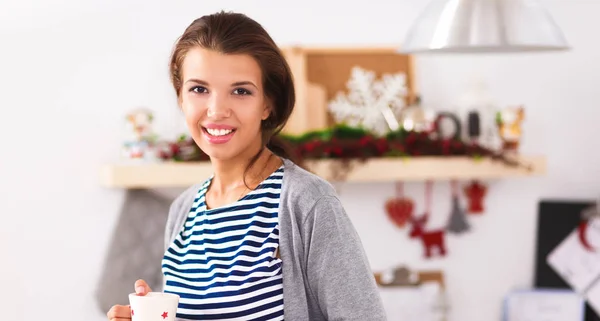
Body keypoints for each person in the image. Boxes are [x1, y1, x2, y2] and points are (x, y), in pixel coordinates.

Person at [107, 10, 386, 321]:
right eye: (199, 89)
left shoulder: (307, 203)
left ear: (267, 104)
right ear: (181, 97)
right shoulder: (182, 212)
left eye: (240, 91)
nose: (216, 110)